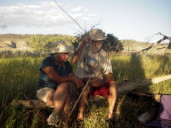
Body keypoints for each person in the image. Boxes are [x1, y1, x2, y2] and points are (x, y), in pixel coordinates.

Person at [72, 29, 117, 126]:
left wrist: (102, 81)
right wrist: (82, 44)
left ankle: (110, 116)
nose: (97, 43)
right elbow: (74, 61)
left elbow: (109, 73)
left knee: (113, 84)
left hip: (97, 82)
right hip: (83, 81)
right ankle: (80, 118)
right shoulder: (84, 48)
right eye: (95, 40)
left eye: (100, 40)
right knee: (86, 88)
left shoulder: (104, 53)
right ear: (90, 40)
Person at [36, 41, 84, 128]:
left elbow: (73, 78)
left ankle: (58, 120)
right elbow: (57, 79)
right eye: (64, 54)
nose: (67, 56)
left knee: (66, 93)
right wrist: (72, 78)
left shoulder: (66, 64)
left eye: (67, 54)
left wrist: (81, 82)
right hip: (44, 89)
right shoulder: (47, 62)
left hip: (60, 92)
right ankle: (58, 118)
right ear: (56, 54)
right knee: (65, 87)